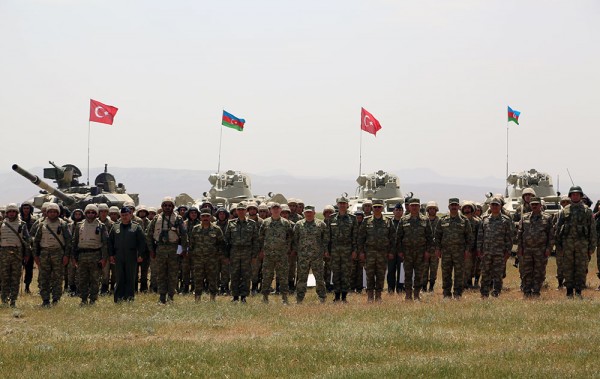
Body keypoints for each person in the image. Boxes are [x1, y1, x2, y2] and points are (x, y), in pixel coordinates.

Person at [555, 186, 597, 298]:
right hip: (567, 245)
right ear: (570, 196)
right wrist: (558, 245)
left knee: (581, 268)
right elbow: (559, 229)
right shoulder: (564, 211)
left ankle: (578, 291)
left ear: (581, 196)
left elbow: (592, 230)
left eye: (577, 194)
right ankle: (569, 291)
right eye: (573, 194)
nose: (575, 196)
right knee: (567, 268)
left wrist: (591, 247)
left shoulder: (587, 211)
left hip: (582, 245)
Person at [146, 197, 188, 304]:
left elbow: (184, 235)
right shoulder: (156, 219)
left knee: (173, 274)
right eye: (165, 205)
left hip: (174, 249)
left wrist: (183, 250)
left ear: (173, 207)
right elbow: (149, 235)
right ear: (162, 206)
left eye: (170, 205)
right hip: (160, 249)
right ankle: (162, 296)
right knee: (161, 274)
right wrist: (151, 250)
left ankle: (171, 296)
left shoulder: (178, 219)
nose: (167, 207)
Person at [33, 203, 72, 307]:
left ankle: (55, 300)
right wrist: (36, 256)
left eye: (55, 212)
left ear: (58, 213)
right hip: (44, 253)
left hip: (58, 253)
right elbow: (36, 241)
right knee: (43, 278)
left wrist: (66, 256)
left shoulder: (63, 224)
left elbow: (69, 241)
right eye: (50, 211)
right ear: (47, 213)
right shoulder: (42, 224)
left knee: (58, 278)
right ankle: (45, 300)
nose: (52, 213)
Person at [358, 199, 395, 302]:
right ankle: (370, 296)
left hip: (383, 253)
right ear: (372, 208)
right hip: (369, 253)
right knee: (369, 275)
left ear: (382, 208)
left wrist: (391, 252)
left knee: (380, 274)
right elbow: (361, 238)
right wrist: (361, 252)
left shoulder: (388, 221)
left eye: (379, 207)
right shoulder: (366, 220)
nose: (377, 209)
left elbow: (392, 238)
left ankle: (378, 296)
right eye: (375, 207)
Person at [71, 204, 108, 306]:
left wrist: (104, 258)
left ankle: (93, 300)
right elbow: (74, 242)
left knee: (95, 279)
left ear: (96, 214)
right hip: (82, 256)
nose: (90, 214)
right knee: (82, 279)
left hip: (95, 255)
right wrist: (73, 257)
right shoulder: (79, 225)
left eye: (92, 212)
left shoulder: (101, 226)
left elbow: (105, 244)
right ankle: (83, 299)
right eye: (88, 212)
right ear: (85, 213)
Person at [435, 198, 472, 299]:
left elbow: (469, 237)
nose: (454, 207)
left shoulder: (464, 220)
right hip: (446, 252)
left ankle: (457, 294)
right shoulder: (442, 220)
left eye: (456, 205)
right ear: (449, 207)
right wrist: (437, 249)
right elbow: (437, 235)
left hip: (459, 252)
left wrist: (467, 250)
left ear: (459, 207)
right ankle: (446, 293)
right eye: (452, 205)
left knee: (459, 274)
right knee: (446, 273)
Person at [517, 197, 554, 298]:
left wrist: (548, 248)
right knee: (526, 271)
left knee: (539, 272)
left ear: (540, 205)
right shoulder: (524, 217)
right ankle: (527, 292)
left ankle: (536, 291)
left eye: (536, 204)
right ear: (530, 205)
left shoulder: (547, 218)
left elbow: (551, 235)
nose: (534, 206)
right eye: (532, 204)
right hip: (527, 249)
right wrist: (520, 248)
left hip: (540, 250)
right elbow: (520, 233)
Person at [397, 198, 432, 301]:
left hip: (420, 252)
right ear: (409, 207)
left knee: (419, 274)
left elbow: (429, 237)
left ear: (419, 206)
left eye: (416, 205)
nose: (414, 207)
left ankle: (416, 294)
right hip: (407, 252)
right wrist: (400, 251)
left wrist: (428, 251)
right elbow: (398, 237)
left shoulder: (425, 220)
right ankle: (408, 295)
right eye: (412, 205)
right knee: (407, 274)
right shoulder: (404, 220)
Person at [477, 197, 513, 297]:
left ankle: (496, 293)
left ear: (500, 206)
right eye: (492, 205)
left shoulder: (505, 220)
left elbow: (509, 237)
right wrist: (479, 250)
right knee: (485, 274)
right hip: (486, 252)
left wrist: (508, 252)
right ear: (490, 206)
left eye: (496, 205)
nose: (494, 206)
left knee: (498, 275)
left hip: (499, 253)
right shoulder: (485, 220)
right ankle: (484, 294)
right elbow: (480, 236)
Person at [109, 207, 146, 302]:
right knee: (120, 277)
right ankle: (118, 298)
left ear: (130, 215)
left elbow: (142, 242)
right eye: (122, 215)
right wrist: (111, 255)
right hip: (119, 255)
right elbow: (110, 242)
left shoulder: (136, 227)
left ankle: (129, 298)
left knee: (130, 277)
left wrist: (141, 254)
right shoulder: (115, 226)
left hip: (131, 255)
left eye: (126, 215)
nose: (124, 217)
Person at [259, 203, 293, 304]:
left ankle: (284, 298)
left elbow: (290, 237)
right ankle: (265, 297)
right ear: (270, 210)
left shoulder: (286, 223)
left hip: (281, 255)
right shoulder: (265, 223)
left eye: (277, 209)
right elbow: (261, 237)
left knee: (283, 277)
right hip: (268, 255)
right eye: (274, 209)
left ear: (280, 210)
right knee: (267, 276)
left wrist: (286, 248)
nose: (275, 210)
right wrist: (262, 250)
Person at [293, 205, 328, 304]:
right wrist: (296, 251)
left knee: (319, 278)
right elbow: (295, 239)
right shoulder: (299, 224)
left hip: (317, 256)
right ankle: (299, 298)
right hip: (303, 256)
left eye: (310, 212)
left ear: (314, 213)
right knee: (302, 278)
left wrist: (325, 251)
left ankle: (322, 297)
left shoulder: (321, 224)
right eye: (306, 212)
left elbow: (325, 239)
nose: (308, 214)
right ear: (304, 213)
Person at [224, 203, 259, 303]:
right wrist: (226, 255)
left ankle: (244, 296)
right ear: (236, 211)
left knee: (246, 275)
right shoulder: (231, 223)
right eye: (239, 210)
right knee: (234, 274)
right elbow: (226, 240)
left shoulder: (252, 223)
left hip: (247, 252)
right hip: (234, 252)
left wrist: (254, 255)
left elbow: (255, 240)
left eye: (243, 210)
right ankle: (235, 296)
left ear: (246, 211)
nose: (241, 211)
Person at [188, 208, 224, 302]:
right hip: (198, 259)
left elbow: (221, 244)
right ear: (200, 217)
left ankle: (213, 298)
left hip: (212, 259)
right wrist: (192, 256)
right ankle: (197, 298)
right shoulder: (195, 229)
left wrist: (218, 256)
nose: (205, 218)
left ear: (211, 217)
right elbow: (191, 244)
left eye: (207, 216)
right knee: (198, 279)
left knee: (212, 279)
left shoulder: (216, 229)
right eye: (203, 216)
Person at [1, 203, 31, 307]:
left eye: (14, 212)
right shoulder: (1, 224)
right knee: (4, 278)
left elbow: (27, 241)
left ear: (16, 213)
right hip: (4, 254)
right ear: (7, 213)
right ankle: (4, 300)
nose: (12, 213)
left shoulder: (22, 224)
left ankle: (13, 300)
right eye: (10, 212)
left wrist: (27, 255)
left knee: (15, 279)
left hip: (17, 255)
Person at [328, 197, 357, 302]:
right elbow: (328, 236)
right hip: (335, 249)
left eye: (344, 203)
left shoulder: (352, 219)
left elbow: (355, 236)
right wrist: (327, 250)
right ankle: (336, 296)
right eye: (340, 203)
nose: (342, 205)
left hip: (347, 249)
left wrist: (354, 250)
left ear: (347, 205)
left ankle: (344, 296)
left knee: (346, 273)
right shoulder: (331, 218)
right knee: (336, 272)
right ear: (337, 205)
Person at [461, 201, 481, 289]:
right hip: (462, 248)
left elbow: (479, 235)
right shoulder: (460, 221)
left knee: (473, 267)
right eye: (465, 208)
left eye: (469, 208)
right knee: (464, 267)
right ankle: (464, 284)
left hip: (474, 248)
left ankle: (471, 283)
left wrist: (478, 249)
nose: (467, 210)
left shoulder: (477, 222)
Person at [422, 201, 440, 292]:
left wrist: (439, 249)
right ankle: (423, 287)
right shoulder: (423, 220)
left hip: (435, 250)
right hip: (425, 250)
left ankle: (431, 287)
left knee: (433, 270)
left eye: (434, 209)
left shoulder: (440, 221)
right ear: (427, 210)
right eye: (430, 209)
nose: (432, 210)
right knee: (424, 270)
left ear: (436, 210)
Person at [388, 203, 405, 294]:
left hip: (401, 251)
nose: (398, 212)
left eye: (400, 210)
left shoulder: (405, 222)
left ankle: (400, 289)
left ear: (402, 212)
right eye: (397, 210)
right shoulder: (389, 222)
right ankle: (390, 289)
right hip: (391, 251)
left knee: (401, 271)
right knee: (391, 271)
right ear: (393, 211)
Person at [556, 195, 571, 289]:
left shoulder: (572, 213)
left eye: (567, 202)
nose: (565, 204)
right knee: (560, 264)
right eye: (563, 202)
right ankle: (560, 283)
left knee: (569, 264)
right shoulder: (557, 214)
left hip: (570, 243)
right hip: (560, 243)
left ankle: (568, 283)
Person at [350, 210, 365, 293]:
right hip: (352, 252)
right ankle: (351, 288)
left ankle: (359, 288)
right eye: (357, 217)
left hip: (361, 252)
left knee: (360, 271)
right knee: (352, 271)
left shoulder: (364, 227)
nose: (358, 219)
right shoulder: (351, 226)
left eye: (360, 217)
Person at [322, 205, 335, 292]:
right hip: (322, 249)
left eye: (330, 212)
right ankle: (324, 285)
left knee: (331, 268)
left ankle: (331, 284)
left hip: (333, 248)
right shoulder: (320, 223)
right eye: (326, 212)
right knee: (323, 268)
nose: (328, 214)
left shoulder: (335, 223)